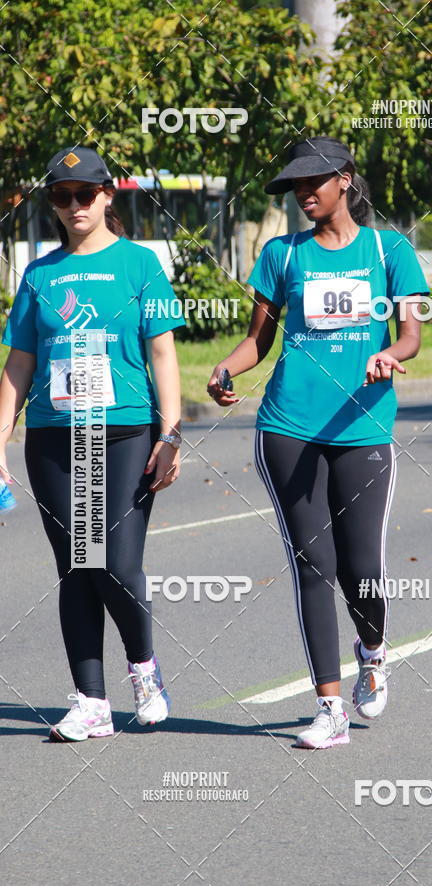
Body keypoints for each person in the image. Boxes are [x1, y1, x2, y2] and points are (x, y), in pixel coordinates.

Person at [207, 136, 428, 749]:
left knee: (362, 569)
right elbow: (258, 342)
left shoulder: (390, 250)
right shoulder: (282, 255)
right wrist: (227, 370)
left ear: (345, 181)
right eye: (296, 187)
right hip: (288, 426)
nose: (304, 194)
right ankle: (329, 707)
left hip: (361, 427)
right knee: (313, 566)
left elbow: (410, 334)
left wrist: (388, 353)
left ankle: (374, 650)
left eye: (315, 182)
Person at [0, 147, 185, 741]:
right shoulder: (39, 274)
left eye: (85, 193)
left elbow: (163, 354)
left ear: (108, 196)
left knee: (118, 564)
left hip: (127, 431)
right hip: (55, 436)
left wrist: (171, 433)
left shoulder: (140, 265)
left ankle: (144, 668)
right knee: (77, 568)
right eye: (62, 196)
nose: (74, 205)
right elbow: (19, 364)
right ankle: (90, 702)